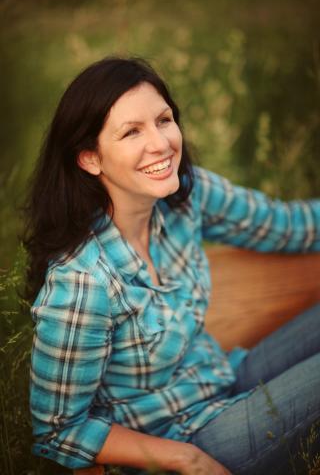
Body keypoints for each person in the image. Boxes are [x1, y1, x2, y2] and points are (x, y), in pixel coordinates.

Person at [24, 56, 320, 475]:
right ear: (90, 158)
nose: (161, 144)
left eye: (163, 120)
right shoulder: (82, 282)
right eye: (131, 132)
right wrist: (184, 458)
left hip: (223, 376)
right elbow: (57, 430)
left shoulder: (186, 195)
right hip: (188, 438)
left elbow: (287, 227)